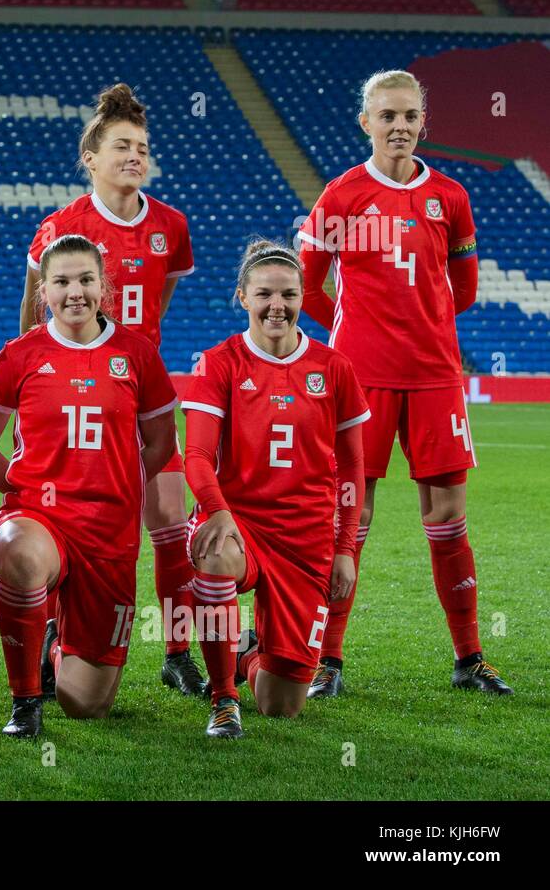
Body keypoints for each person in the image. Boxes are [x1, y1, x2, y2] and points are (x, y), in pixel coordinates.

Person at [296, 70, 510, 696]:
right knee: (348, 518)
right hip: (359, 380)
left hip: (436, 378)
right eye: (386, 115)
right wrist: (353, 327)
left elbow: (463, 289)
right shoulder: (340, 196)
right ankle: (328, 662)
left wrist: (426, 325)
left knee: (447, 518)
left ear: (423, 122)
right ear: (365, 122)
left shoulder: (451, 195)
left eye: (410, 116)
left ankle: (469, 659)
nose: (399, 126)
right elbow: (307, 286)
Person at [20, 82, 204, 698]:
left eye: (142, 147)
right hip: (71, 403)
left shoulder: (171, 226)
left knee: (171, 520)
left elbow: (156, 313)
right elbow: (30, 316)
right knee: (63, 519)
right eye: (121, 146)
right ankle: (53, 636)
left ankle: (178, 650)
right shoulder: (61, 227)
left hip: (140, 399)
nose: (134, 155)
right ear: (90, 158)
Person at [0, 235, 178, 739]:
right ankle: (24, 702)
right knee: (21, 557)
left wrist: (118, 485)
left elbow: (162, 443)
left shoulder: (137, 354)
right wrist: (23, 494)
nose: (74, 292)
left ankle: (56, 638)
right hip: (40, 519)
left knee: (85, 705)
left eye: (85, 280)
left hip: (110, 534)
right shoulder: (21, 354)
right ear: (45, 291)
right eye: (61, 282)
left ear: (105, 286)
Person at [182, 241, 369, 738]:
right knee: (216, 555)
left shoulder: (335, 368)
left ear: (304, 296)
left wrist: (344, 549)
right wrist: (216, 512)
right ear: (243, 296)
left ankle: (248, 652)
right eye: (264, 294)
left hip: (305, 537)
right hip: (237, 520)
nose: (276, 306)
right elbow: (196, 457)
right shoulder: (218, 363)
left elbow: (351, 469)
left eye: (288, 294)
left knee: (282, 705)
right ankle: (223, 698)